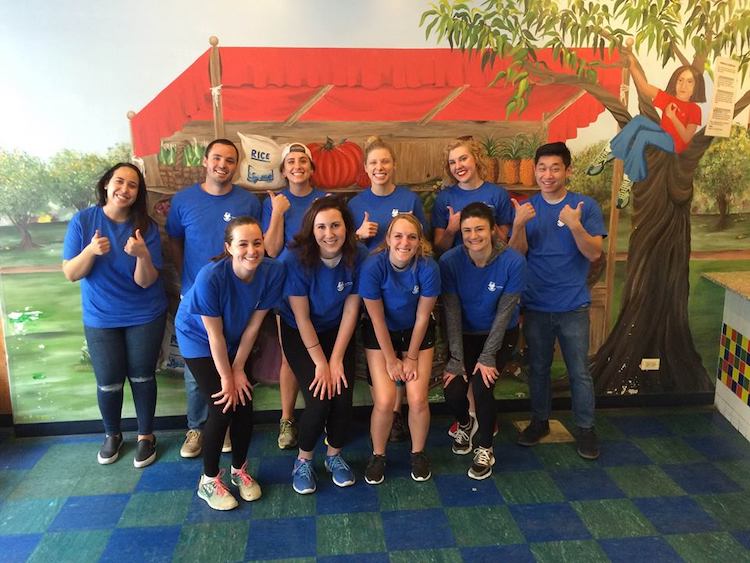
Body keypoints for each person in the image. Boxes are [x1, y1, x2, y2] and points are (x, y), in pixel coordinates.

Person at [62, 163, 167, 468]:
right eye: (119, 182)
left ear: (138, 193)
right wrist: (91, 251)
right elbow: (71, 273)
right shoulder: (84, 221)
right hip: (101, 317)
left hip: (144, 313)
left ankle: (146, 436)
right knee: (108, 382)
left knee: (142, 376)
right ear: (106, 184)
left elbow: (145, 280)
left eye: (132, 185)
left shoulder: (145, 226)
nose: (124, 189)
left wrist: (142, 254)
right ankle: (113, 435)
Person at [175, 217, 283, 510]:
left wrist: (238, 370)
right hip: (198, 338)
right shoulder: (211, 276)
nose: (252, 250)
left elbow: (253, 328)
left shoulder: (272, 272)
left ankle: (239, 471)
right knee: (223, 405)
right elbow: (214, 335)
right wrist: (227, 376)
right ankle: (208, 481)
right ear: (229, 247)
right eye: (243, 244)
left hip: (237, 337)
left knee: (245, 404)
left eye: (257, 242)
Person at [166, 138, 262, 459]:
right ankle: (197, 428)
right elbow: (175, 241)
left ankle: (225, 427)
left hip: (235, 299)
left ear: (237, 166)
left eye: (231, 160)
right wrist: (186, 279)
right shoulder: (183, 201)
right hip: (195, 297)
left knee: (236, 362)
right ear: (205, 161)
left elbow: (253, 247)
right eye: (217, 158)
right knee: (198, 372)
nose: (223, 164)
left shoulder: (248, 202)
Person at [510, 142, 606, 460]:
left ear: (568, 171)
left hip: (573, 306)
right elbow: (516, 254)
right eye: (542, 168)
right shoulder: (528, 207)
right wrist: (518, 225)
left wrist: (575, 224)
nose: (547, 175)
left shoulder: (584, 206)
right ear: (535, 170)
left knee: (579, 371)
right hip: (536, 305)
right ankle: (540, 422)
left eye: (555, 168)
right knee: (538, 369)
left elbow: (594, 252)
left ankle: (586, 429)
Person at [278, 196, 367, 494]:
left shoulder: (360, 256)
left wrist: (337, 358)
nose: (329, 233)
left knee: (342, 396)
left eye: (335, 225)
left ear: (347, 227)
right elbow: (301, 318)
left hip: (336, 331)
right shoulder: (295, 258)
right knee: (319, 396)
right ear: (311, 229)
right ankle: (303, 460)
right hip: (299, 331)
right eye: (321, 227)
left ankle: (334, 456)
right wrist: (321, 363)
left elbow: (352, 310)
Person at [348, 135, 427, 441]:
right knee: (376, 348)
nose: (379, 167)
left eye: (384, 161)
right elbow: (344, 248)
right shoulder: (356, 203)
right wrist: (358, 236)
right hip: (369, 291)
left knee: (402, 345)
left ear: (393, 165)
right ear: (365, 169)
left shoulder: (409, 200)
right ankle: (383, 409)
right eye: (373, 163)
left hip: (406, 289)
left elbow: (423, 242)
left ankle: (396, 412)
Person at [440, 202, 525, 479]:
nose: (473, 236)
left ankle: (485, 447)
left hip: (499, 335)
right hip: (463, 334)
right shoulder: (450, 262)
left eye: (479, 229)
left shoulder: (513, 262)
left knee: (482, 386)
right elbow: (451, 312)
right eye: (467, 230)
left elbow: (505, 314)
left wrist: (488, 357)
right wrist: (455, 358)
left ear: (493, 231)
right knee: (453, 390)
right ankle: (465, 424)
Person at [360, 214, 440, 484]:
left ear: (419, 242)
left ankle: (418, 453)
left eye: (412, 237)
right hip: (381, 333)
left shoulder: (428, 267)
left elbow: (422, 317)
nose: (404, 242)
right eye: (398, 236)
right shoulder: (373, 266)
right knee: (384, 400)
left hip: (416, 333)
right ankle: (378, 454)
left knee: (417, 399)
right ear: (388, 239)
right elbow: (376, 318)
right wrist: (392, 359)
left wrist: (412, 357)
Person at [262, 142, 325, 451]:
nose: (297, 166)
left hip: (324, 289)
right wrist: (277, 214)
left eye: (303, 161)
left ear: (311, 168)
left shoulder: (324, 200)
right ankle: (287, 419)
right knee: (291, 355)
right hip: (286, 289)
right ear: (283, 170)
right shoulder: (276, 201)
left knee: (323, 350)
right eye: (291, 162)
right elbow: (270, 250)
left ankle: (322, 412)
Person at [586, 56, 705, 208]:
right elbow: (644, 87)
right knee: (638, 121)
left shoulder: (695, 109)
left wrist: (673, 117)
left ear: (696, 87)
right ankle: (609, 152)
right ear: (675, 82)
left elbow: (687, 137)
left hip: (675, 144)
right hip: (663, 133)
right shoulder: (669, 99)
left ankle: (628, 180)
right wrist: (633, 66)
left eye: (690, 82)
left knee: (643, 136)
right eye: (680, 80)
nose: (683, 85)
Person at [432, 137, 513, 252]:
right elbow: (439, 249)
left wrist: (488, 220)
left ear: (476, 159)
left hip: (492, 262)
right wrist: (450, 229)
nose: (458, 166)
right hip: (458, 265)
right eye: (452, 162)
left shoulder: (498, 194)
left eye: (463, 159)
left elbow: (503, 243)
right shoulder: (444, 198)